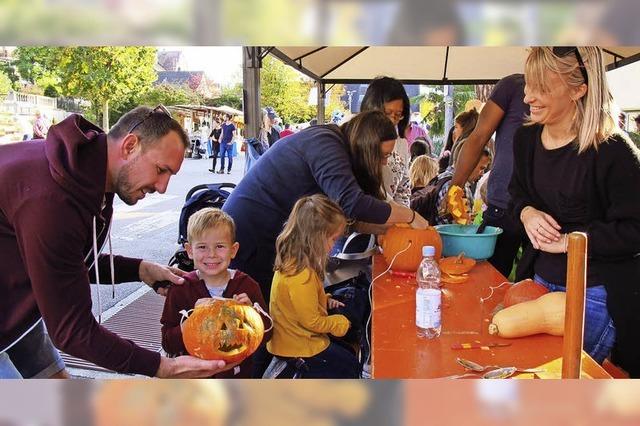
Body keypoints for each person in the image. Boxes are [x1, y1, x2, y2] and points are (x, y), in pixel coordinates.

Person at [0, 105, 230, 379]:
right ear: (130, 145)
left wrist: (139, 269)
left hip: (15, 316)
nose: (163, 187)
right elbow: (72, 331)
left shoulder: (87, 172)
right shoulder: (52, 200)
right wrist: (162, 367)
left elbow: (62, 261)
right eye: (160, 170)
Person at [509, 47, 640, 372]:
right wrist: (527, 212)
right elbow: (516, 194)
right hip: (538, 280)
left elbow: (635, 230)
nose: (528, 97)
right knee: (524, 372)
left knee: (553, 383)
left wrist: (573, 241)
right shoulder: (526, 139)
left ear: (579, 89)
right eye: (528, 85)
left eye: (541, 88)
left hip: (596, 292)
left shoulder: (614, 152)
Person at [223, 110, 428, 304]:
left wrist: (389, 229)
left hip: (274, 236)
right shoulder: (325, 143)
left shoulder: (337, 148)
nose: (384, 163)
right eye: (382, 156)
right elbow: (352, 203)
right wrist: (409, 216)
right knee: (260, 315)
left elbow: (346, 218)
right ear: (366, 148)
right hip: (249, 234)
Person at [160, 208, 270, 378]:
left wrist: (252, 316)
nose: (211, 255)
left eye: (219, 246)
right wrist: (191, 321)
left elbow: (268, 336)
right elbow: (168, 343)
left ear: (233, 250)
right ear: (189, 250)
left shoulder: (247, 286)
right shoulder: (181, 289)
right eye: (202, 247)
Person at [266, 194, 359, 378]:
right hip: (298, 346)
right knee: (349, 365)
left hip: (294, 337)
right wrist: (340, 323)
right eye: (333, 239)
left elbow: (298, 305)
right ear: (315, 238)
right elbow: (312, 322)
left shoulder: (294, 262)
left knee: (347, 354)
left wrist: (325, 300)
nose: (334, 245)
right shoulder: (302, 276)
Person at [449, 73, 529, 278]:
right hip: (504, 204)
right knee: (486, 281)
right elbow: (478, 137)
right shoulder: (513, 86)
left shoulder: (571, 88)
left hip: (547, 210)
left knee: (536, 289)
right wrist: (455, 188)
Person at [360, 76, 411, 206]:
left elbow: (403, 190)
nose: (392, 120)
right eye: (387, 113)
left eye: (398, 114)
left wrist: (405, 217)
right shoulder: (356, 139)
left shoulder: (401, 144)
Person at [412, 148, 491, 225]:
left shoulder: (441, 177)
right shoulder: (456, 186)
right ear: (469, 162)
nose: (482, 173)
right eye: (481, 168)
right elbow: (462, 228)